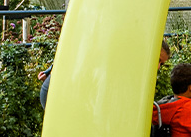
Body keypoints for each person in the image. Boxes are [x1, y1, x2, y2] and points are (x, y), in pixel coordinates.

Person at [40, 39, 170, 109]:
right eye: (157, 60)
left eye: (162, 64)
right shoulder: (128, 60)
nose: (158, 67)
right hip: (59, 92)